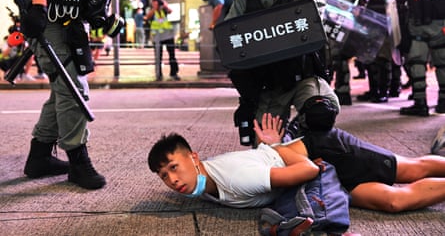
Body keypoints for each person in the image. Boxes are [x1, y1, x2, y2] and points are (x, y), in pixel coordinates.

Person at [148, 99, 445, 213]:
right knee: (394, 201)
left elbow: (306, 170)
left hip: (324, 153)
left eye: (174, 167)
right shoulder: (205, 181)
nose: (172, 180)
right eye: (164, 176)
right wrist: (272, 148)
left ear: (195, 158)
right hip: (320, 174)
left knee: (410, 169)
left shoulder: (236, 177)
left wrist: (277, 148)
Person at [20, 0, 129, 189]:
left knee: (65, 90)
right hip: (48, 21)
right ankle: (78, 160)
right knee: (73, 90)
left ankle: (39, 156)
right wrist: (39, 6)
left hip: (75, 22)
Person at [224, 0, 339, 146]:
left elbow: (316, 23)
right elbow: (228, 41)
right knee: (264, 146)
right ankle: (286, 148)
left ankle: (302, 146)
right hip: (268, 84)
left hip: (302, 75)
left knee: (320, 112)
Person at [396, 0, 445, 116]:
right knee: (442, 62)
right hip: (440, 23)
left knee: (417, 62)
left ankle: (420, 102)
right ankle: (443, 101)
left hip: (418, 24)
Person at [145, 0, 180, 81]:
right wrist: (154, 8)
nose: (157, 0)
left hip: (167, 34)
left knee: (172, 54)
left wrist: (164, 5)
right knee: (158, 56)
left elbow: (170, 11)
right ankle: (158, 74)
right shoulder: (150, 8)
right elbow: (147, 17)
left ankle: (174, 73)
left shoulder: (163, 6)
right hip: (157, 36)